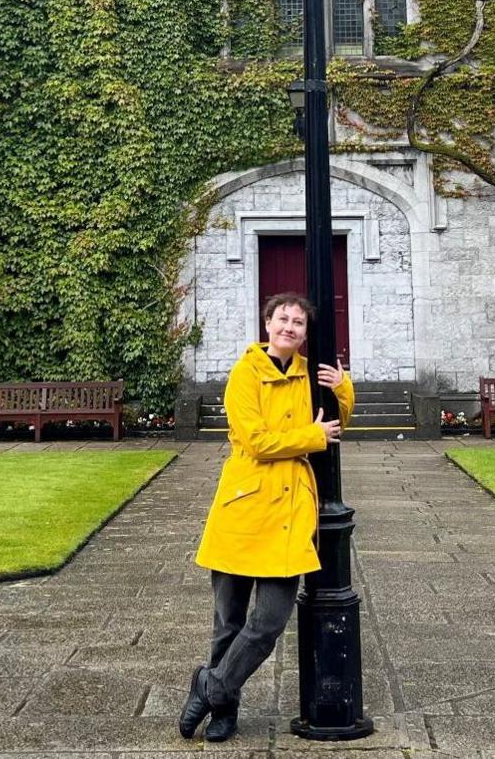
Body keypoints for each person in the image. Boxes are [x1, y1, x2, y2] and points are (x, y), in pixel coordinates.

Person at [178, 292, 353, 742]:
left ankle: (211, 686)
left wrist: (342, 388)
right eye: (282, 319)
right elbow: (256, 441)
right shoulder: (245, 373)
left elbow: (335, 427)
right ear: (268, 324)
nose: (289, 327)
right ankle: (225, 711)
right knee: (229, 623)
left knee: (269, 623)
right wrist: (310, 436)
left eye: (298, 322)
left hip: (289, 515)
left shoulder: (311, 375)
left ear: (305, 333)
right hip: (244, 508)